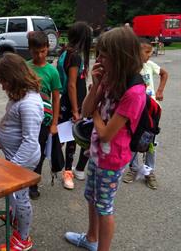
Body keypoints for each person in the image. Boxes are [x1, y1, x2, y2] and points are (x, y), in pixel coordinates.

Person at [64, 27, 146, 251]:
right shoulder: (110, 78)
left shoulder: (134, 92)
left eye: (103, 55)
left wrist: (96, 113)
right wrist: (97, 84)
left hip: (113, 159)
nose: (98, 60)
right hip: (97, 153)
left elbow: (106, 133)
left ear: (120, 56)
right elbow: (86, 109)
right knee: (91, 197)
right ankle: (91, 238)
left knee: (104, 207)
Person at [0, 53, 43, 251]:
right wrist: (2, 140)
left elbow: (30, 141)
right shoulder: (19, 96)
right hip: (14, 157)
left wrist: (12, 167)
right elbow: (15, 126)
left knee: (20, 197)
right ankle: (14, 216)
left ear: (14, 78)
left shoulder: (29, 103)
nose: (2, 86)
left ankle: (23, 238)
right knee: (13, 195)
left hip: (22, 160)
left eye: (4, 81)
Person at [123, 38, 168, 189]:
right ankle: (133, 168)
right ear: (136, 52)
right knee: (133, 139)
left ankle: (149, 172)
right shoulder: (129, 69)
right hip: (136, 110)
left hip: (152, 110)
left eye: (151, 51)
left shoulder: (150, 65)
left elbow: (164, 74)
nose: (150, 54)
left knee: (151, 141)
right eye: (147, 51)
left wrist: (160, 90)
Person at [26, 31, 61, 200]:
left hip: (44, 122)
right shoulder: (25, 67)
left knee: (38, 153)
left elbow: (56, 99)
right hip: (26, 120)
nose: (40, 55)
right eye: (35, 52)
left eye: (43, 51)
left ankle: (33, 183)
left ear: (48, 48)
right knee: (25, 149)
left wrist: (54, 123)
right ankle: (21, 180)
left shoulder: (52, 72)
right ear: (29, 50)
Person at [57, 21, 92, 189]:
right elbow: (71, 84)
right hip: (72, 103)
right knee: (70, 138)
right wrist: (75, 110)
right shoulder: (75, 56)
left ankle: (69, 169)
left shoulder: (66, 51)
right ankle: (68, 173)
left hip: (69, 101)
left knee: (65, 137)